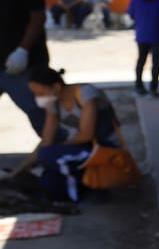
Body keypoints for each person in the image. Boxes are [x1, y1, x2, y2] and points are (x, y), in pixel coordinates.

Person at [2, 66, 120, 204]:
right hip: (79, 149)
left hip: (103, 149)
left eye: (40, 93)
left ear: (56, 87)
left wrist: (55, 151)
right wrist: (19, 170)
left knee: (49, 155)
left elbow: (86, 135)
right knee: (48, 183)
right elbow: (46, 141)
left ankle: (87, 192)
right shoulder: (54, 104)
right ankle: (80, 187)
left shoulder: (85, 93)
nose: (38, 98)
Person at [0, 0, 53, 135]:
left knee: (41, 113)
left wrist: (22, 50)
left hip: (25, 65)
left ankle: (59, 155)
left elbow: (38, 16)